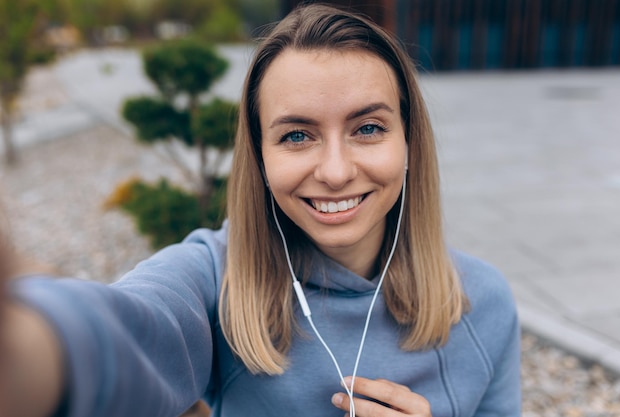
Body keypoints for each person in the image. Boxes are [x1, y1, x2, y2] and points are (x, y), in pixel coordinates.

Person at [3, 3, 521, 417]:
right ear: (260, 156)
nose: (336, 171)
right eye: (297, 135)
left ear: (409, 142)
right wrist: (33, 333)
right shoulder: (212, 280)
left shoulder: (484, 302)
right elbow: (121, 333)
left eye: (368, 128)